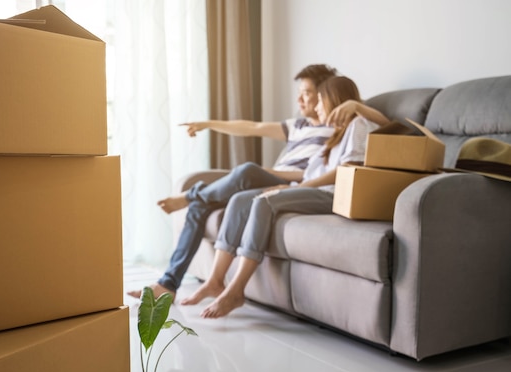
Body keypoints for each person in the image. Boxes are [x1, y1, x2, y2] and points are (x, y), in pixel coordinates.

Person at [127, 65, 389, 301]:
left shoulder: (339, 127)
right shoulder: (298, 125)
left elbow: (390, 128)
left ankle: (192, 195)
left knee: (247, 172)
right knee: (203, 207)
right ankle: (169, 283)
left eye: (309, 94)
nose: (301, 99)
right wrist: (208, 124)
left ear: (328, 95)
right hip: (282, 178)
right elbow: (252, 127)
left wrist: (357, 106)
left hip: (292, 181)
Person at [182, 76, 380, 318]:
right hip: (311, 187)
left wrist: (298, 187)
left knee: (265, 201)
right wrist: (296, 185)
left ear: (336, 101)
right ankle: (215, 280)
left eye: (320, 101)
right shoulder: (337, 133)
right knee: (241, 200)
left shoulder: (358, 124)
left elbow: (346, 171)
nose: (316, 108)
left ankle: (236, 290)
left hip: (331, 195)